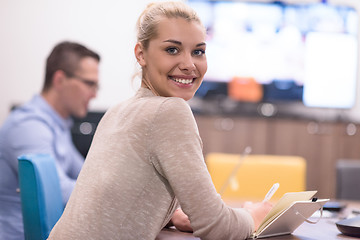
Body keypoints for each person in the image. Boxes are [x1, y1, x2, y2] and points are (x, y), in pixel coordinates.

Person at [48, 2, 272, 240]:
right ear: (141, 54)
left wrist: (170, 214)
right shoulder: (170, 111)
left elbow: (116, 202)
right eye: (172, 50)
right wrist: (255, 216)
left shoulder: (117, 111)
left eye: (198, 51)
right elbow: (216, 226)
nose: (189, 64)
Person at [0, 41, 101, 240]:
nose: (94, 94)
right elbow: (58, 191)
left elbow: (86, 176)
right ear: (60, 79)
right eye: (89, 83)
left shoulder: (57, 124)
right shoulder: (28, 125)